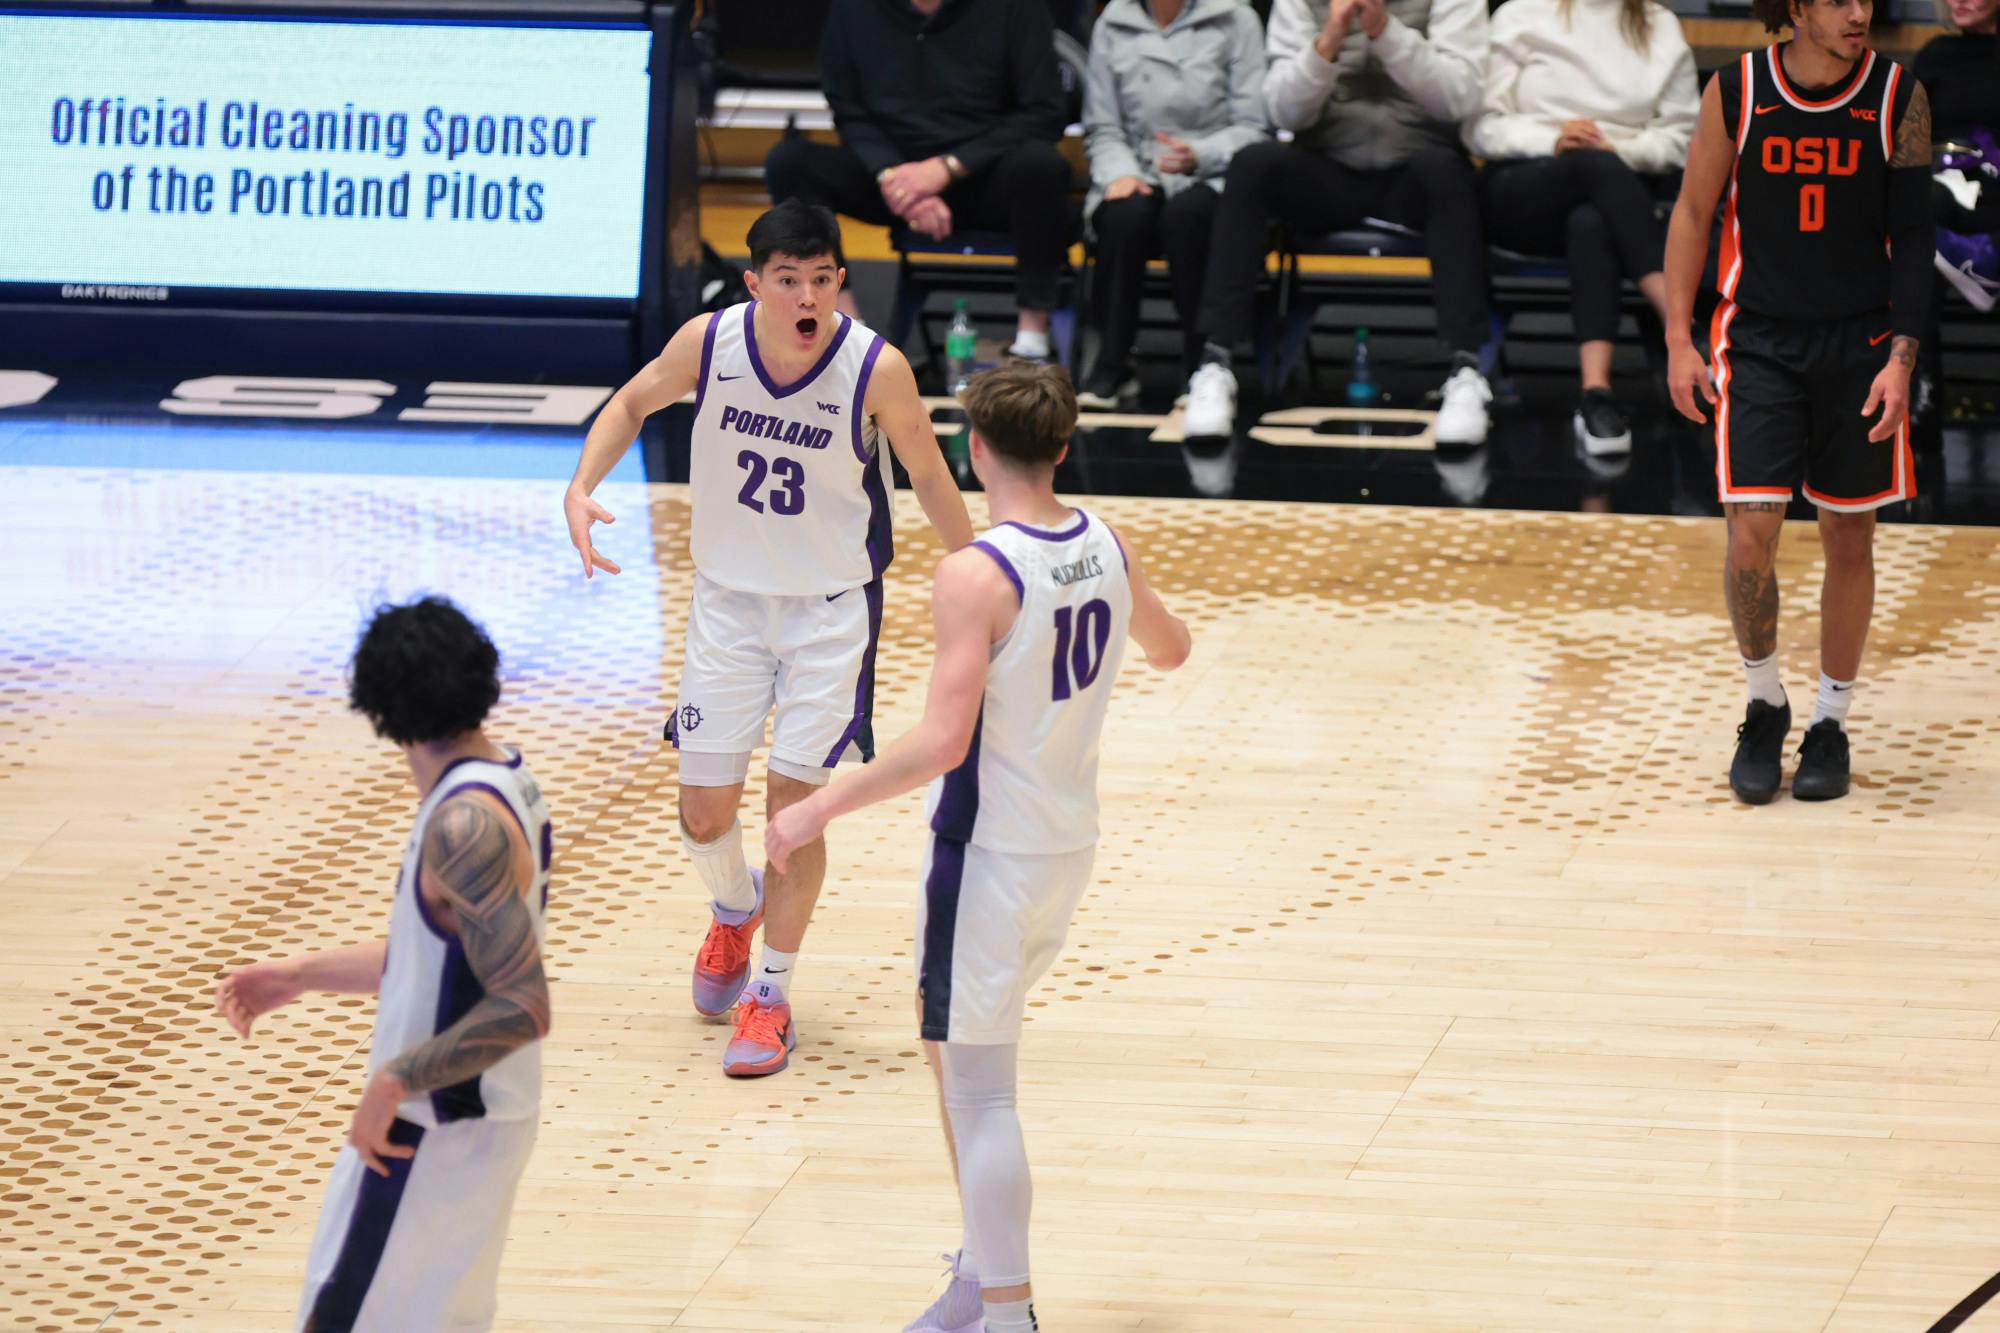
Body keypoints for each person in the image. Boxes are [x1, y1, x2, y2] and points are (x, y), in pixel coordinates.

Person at [765, 362, 1190, 1333]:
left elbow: (940, 743)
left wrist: (816, 807)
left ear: (971, 449)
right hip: (1064, 843)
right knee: (941, 1037)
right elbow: (1171, 649)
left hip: (988, 852)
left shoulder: (973, 573)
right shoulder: (1107, 542)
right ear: (1063, 445)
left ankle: (1005, 1312)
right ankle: (978, 1273)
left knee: (982, 1086)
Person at [564, 200, 973, 1077]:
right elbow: (631, 404)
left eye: (822, 279)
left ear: (838, 283)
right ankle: (732, 908)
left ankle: (772, 998)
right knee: (702, 814)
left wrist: (987, 577)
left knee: (792, 816)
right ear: (756, 284)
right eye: (787, 279)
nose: (806, 295)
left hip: (830, 614)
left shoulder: (876, 368)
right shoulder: (708, 343)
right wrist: (580, 485)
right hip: (727, 606)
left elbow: (932, 476)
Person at [215, 597, 554, 1330]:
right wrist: (300, 974)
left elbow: (522, 1003)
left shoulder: (465, 825)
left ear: (381, 711)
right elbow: (442, 956)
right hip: (469, 1115)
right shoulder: (505, 781)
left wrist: (396, 1078)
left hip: (436, 1120)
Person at [1663, 0, 1933, 804]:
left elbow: (1916, 239)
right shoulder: (1737, 90)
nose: (1861, 14)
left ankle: (1830, 722)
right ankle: (1764, 703)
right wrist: (1679, 337)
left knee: (1850, 535)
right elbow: (1691, 211)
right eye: (1839, 0)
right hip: (1760, 342)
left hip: (1862, 344)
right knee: (1751, 535)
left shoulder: (1898, 96)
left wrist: (1902, 360)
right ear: (1795, 8)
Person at [1181, 0, 1495, 446]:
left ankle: (1466, 370)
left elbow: (1459, 98)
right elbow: (1283, 112)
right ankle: (1215, 362)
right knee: (1254, 164)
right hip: (1327, 168)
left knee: (1449, 175)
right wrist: (1328, 38)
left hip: (1414, 169)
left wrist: (1384, 31)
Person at [763, 0, 1073, 362]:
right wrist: (892, 175)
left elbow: (1044, 112)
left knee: (1042, 166)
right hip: (891, 180)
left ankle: (1031, 338)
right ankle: (842, 327)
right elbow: (847, 107)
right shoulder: (852, 10)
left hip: (986, 175)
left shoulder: (1017, 8)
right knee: (789, 162)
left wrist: (945, 168)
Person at [1467, 0, 1699, 455]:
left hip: (1618, 200)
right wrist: (1551, 140)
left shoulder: (1659, 26)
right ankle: (1686, 330)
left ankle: (1596, 396)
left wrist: (1618, 150)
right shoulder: (1521, 14)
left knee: (1592, 220)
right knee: (1595, 171)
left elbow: (1681, 137)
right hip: (1523, 189)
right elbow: (1481, 127)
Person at [1076, 0, 1268, 408]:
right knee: (1124, 216)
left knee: (1189, 216)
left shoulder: (1236, 18)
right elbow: (1102, 125)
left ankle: (1203, 364)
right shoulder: (1112, 22)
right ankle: (1112, 362)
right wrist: (1120, 172)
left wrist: (1201, 154)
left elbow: (1254, 126)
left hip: (1213, 168)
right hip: (1138, 164)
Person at [1917, 0, 2000, 311]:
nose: (1958, 1)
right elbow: (1907, 133)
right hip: (1940, 182)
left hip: (1992, 190)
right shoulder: (1936, 53)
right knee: (1918, 207)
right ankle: (1912, 355)